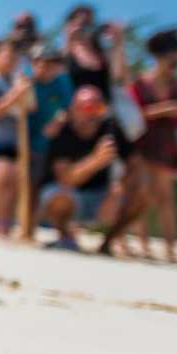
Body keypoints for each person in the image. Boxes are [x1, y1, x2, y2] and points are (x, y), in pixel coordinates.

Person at [40, 85, 145, 253]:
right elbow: (65, 179)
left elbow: (136, 164)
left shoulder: (110, 129)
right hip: (67, 194)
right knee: (59, 199)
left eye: (99, 107)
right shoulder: (62, 132)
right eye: (87, 107)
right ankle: (65, 236)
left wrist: (121, 186)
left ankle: (107, 243)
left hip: (100, 196)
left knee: (142, 194)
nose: (92, 113)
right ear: (74, 110)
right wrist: (95, 161)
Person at [131, 29, 177, 260]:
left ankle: (169, 248)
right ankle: (142, 243)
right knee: (142, 193)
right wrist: (163, 110)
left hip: (166, 144)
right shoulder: (141, 82)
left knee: (166, 197)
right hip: (143, 143)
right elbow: (133, 114)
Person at [0, 39, 35, 238]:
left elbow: (30, 108)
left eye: (14, 57)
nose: (10, 60)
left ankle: (3, 226)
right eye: (6, 55)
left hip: (15, 141)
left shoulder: (15, 81)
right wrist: (16, 93)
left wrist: (24, 90)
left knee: (12, 184)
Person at [26, 44, 74, 235]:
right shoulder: (25, 82)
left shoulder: (62, 82)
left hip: (52, 147)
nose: (48, 68)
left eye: (53, 64)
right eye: (44, 63)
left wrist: (60, 119)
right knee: (29, 185)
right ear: (34, 63)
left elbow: (67, 108)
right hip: (28, 144)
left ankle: (36, 226)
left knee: (46, 188)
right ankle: (25, 226)